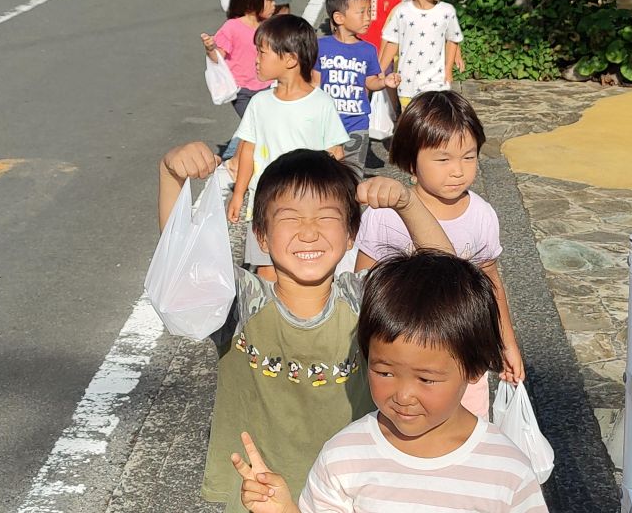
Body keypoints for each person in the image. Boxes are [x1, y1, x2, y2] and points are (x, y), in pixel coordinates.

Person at [157, 146, 454, 512]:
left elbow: (450, 284)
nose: (309, 232)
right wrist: (171, 176)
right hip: (258, 497)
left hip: (349, 495)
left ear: (351, 235)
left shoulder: (366, 301)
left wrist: (408, 204)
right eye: (290, 218)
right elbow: (182, 268)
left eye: (326, 217)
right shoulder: (241, 302)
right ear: (261, 236)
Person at [232, 251, 548, 513]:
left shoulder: (507, 471)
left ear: (475, 369)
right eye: (384, 372)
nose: (404, 395)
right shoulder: (345, 457)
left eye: (426, 378)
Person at [354, 90, 524, 415]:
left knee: (466, 428)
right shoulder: (386, 214)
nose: (458, 171)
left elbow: (491, 282)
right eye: (443, 159)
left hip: (462, 354)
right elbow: (361, 285)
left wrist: (507, 343)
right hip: (402, 360)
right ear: (411, 162)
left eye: (468, 157)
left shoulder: (482, 215)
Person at [227, 14, 348, 280]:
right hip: (265, 204)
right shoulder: (259, 103)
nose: (256, 59)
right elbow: (248, 150)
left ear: (291, 59)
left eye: (262, 52)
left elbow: (335, 154)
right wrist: (238, 194)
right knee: (267, 270)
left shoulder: (321, 104)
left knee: (305, 267)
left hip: (308, 207)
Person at [314, 0, 399, 177]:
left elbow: (370, 82)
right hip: (326, 123)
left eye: (369, 12)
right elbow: (314, 84)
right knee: (324, 174)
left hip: (357, 123)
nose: (368, 18)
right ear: (339, 18)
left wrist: (384, 82)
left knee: (353, 173)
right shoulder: (320, 47)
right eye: (361, 13)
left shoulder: (368, 49)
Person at [380, 0, 464, 108]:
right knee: (411, 121)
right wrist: (380, 71)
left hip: (437, 84)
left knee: (435, 120)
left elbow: (452, 40)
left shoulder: (447, 11)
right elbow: (392, 42)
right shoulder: (402, 12)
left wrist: (448, 70)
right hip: (407, 85)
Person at [201, 0, 277, 121]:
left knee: (267, 124)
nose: (274, 4)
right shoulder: (232, 27)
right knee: (253, 123)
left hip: (268, 87)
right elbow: (218, 58)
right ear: (252, 0)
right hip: (242, 91)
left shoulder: (269, 26)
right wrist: (210, 49)